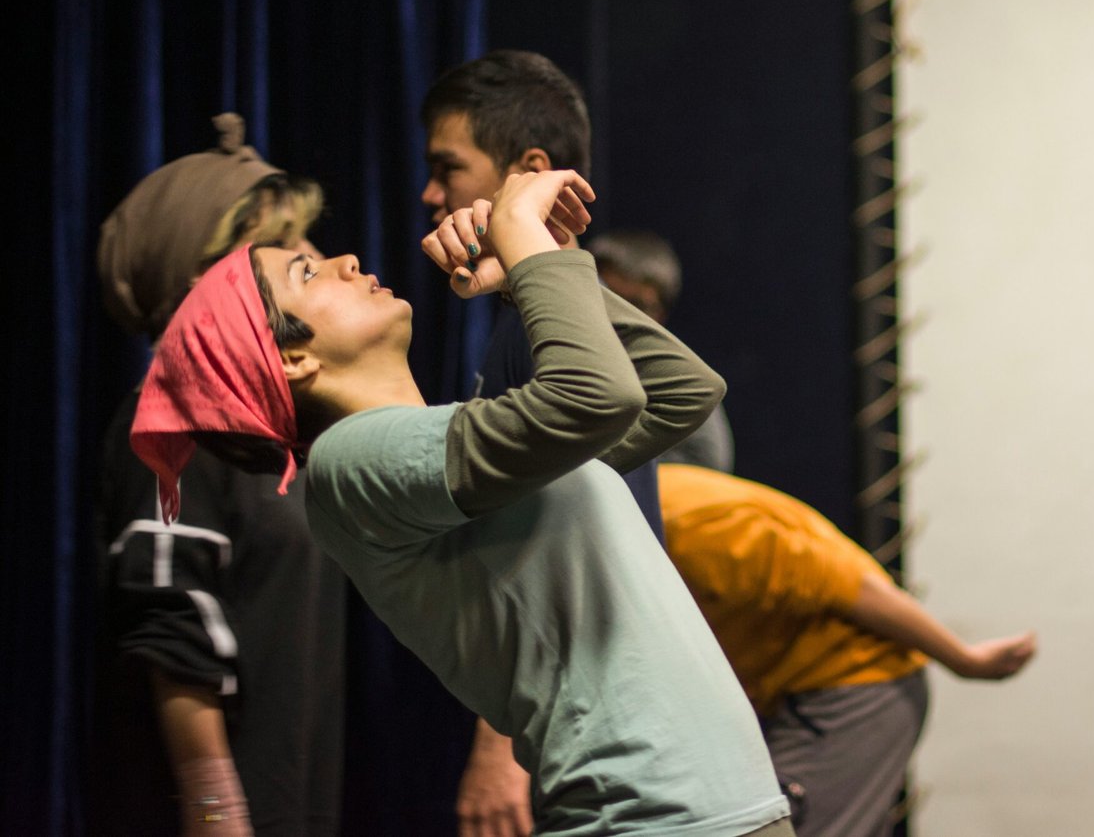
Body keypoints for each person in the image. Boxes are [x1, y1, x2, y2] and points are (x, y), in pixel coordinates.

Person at [132, 169, 793, 837]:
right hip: (652, 818)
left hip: (718, 809)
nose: (345, 260)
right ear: (293, 359)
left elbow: (681, 390)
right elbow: (600, 397)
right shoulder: (348, 462)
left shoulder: (454, 451)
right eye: (307, 272)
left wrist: (536, 266)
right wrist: (521, 237)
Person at [420, 51, 672, 833]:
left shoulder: (547, 331)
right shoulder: (531, 318)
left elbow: (548, 547)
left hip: (586, 724)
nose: (432, 194)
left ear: (528, 169)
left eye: (448, 167)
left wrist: (498, 753)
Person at [92, 113, 345, 837]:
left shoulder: (265, 428)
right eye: (283, 248)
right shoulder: (170, 415)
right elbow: (172, 631)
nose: (316, 257)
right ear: (208, 280)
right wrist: (218, 818)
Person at [658, 462, 1037, 837]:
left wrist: (964, 660)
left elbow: (856, 588)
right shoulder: (652, 508)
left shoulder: (697, 526)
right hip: (788, 692)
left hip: (855, 689)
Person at [589, 229, 735, 473]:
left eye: (637, 305)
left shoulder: (669, 372)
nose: (620, 313)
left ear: (660, 315)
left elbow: (708, 466)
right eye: (611, 299)